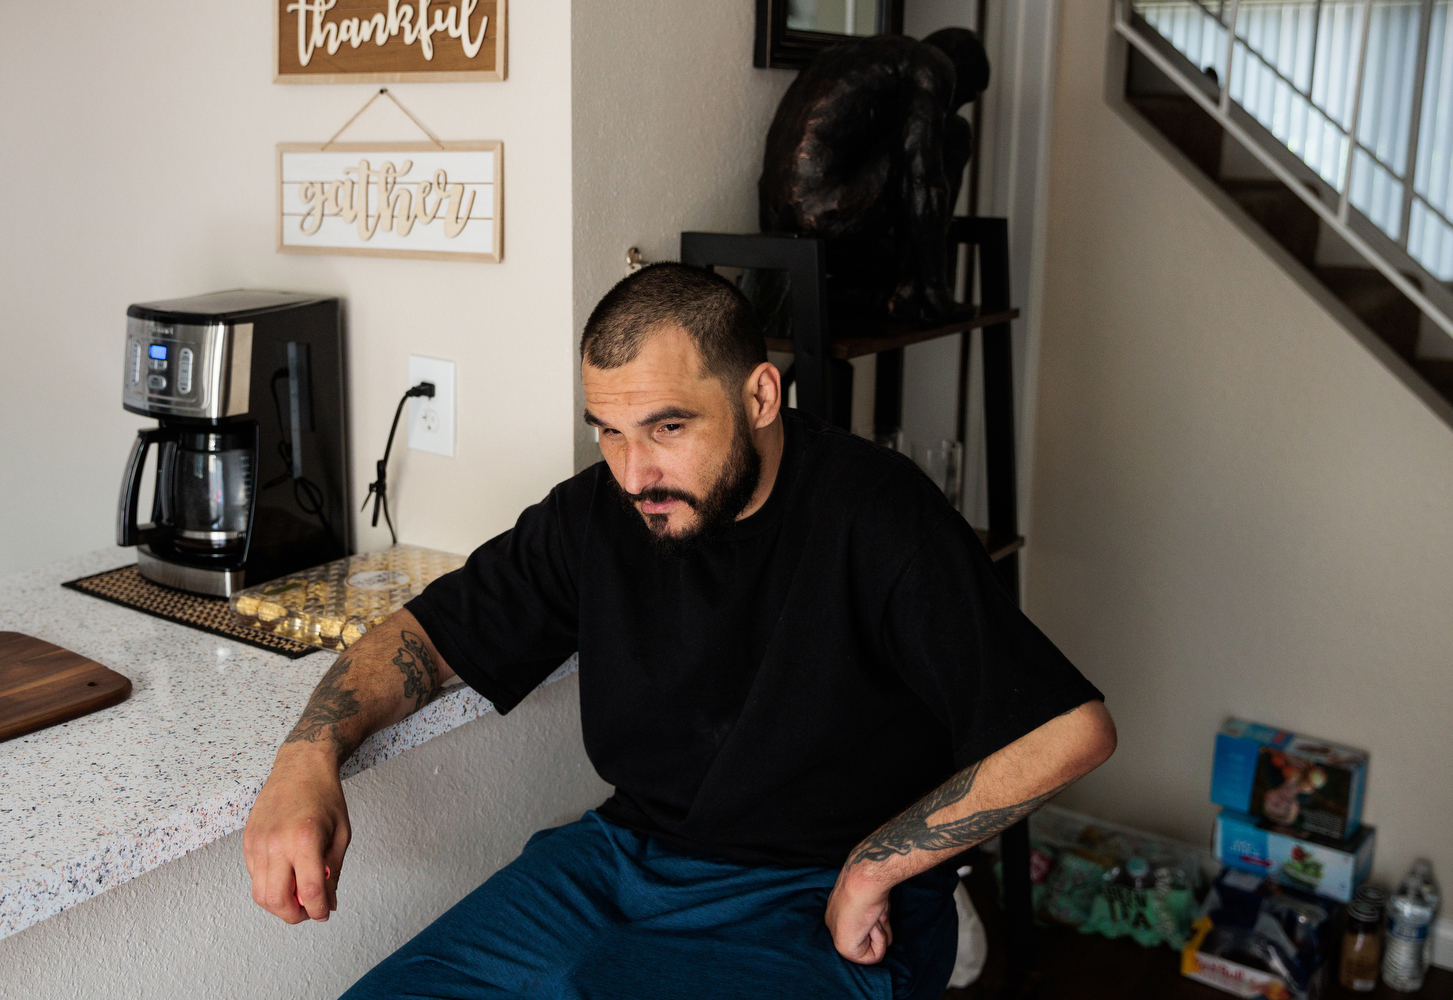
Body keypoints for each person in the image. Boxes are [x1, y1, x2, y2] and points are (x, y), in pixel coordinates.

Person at [243, 263, 1115, 999]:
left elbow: (1069, 729)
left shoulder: (878, 516)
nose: (635, 472)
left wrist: (877, 868)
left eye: (668, 427)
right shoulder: (598, 512)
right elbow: (427, 638)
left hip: (814, 887)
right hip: (618, 861)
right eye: (611, 434)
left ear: (760, 394)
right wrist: (307, 757)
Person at [759, 28, 991, 324]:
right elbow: (925, 180)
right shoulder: (931, 63)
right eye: (965, 95)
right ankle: (919, 293)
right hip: (825, 219)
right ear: (957, 71)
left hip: (777, 224)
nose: (955, 104)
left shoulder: (854, 54)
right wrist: (936, 289)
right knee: (955, 132)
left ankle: (893, 290)